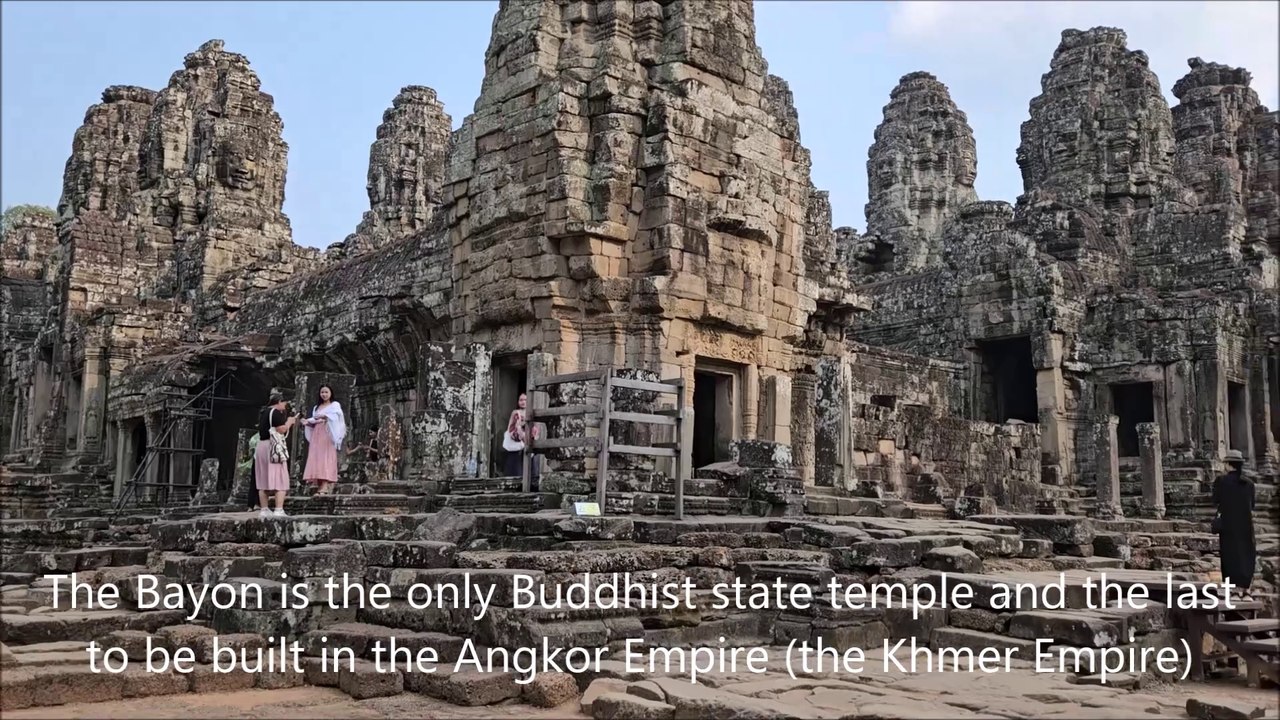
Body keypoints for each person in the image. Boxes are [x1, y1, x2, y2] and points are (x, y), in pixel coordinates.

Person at [1212, 449, 1255, 600]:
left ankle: (1234, 590)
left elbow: (1215, 500)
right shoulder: (1249, 484)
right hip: (1245, 524)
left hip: (1228, 524)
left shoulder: (1221, 481)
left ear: (1229, 465)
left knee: (1230, 556)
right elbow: (1252, 505)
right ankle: (1246, 589)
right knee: (1246, 554)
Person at [255, 391, 298, 518]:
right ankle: (279, 509)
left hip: (262, 446)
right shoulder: (275, 413)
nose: (285, 406)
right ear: (279, 402)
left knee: (263, 478)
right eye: (284, 403)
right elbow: (281, 429)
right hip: (273, 446)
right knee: (280, 477)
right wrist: (290, 422)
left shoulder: (263, 412)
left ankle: (264, 509)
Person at [302, 385, 346, 496]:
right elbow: (314, 420)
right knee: (316, 457)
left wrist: (326, 416)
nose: (324, 394)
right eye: (322, 392)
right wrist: (307, 422)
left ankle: (325, 485)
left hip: (327, 432)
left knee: (325, 457)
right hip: (317, 433)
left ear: (331, 393)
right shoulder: (317, 407)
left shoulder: (335, 405)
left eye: (326, 392)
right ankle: (319, 484)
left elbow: (338, 418)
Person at [502, 393, 542, 484]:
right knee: (516, 465)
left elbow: (536, 428)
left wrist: (531, 436)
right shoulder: (516, 412)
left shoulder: (533, 412)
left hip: (529, 439)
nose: (523, 402)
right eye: (521, 400)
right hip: (517, 441)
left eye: (525, 400)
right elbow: (510, 428)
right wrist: (518, 430)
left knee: (531, 463)